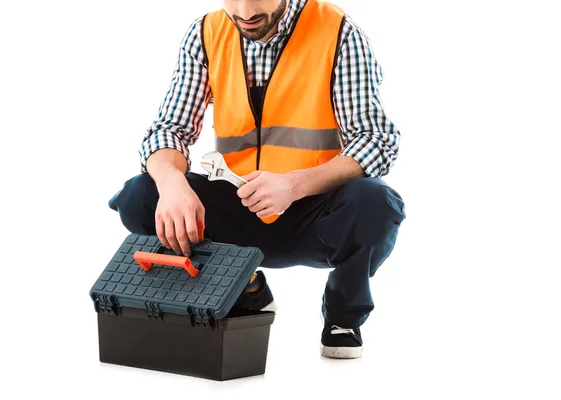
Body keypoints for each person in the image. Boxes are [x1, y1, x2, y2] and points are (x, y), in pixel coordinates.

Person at [108, 0, 406, 359]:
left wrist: (294, 184)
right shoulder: (206, 33)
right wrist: (173, 184)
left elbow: (376, 140)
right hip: (237, 205)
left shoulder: (339, 33)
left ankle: (343, 316)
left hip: (314, 211)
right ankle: (242, 286)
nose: (246, 12)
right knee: (140, 196)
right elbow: (168, 130)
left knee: (376, 202)